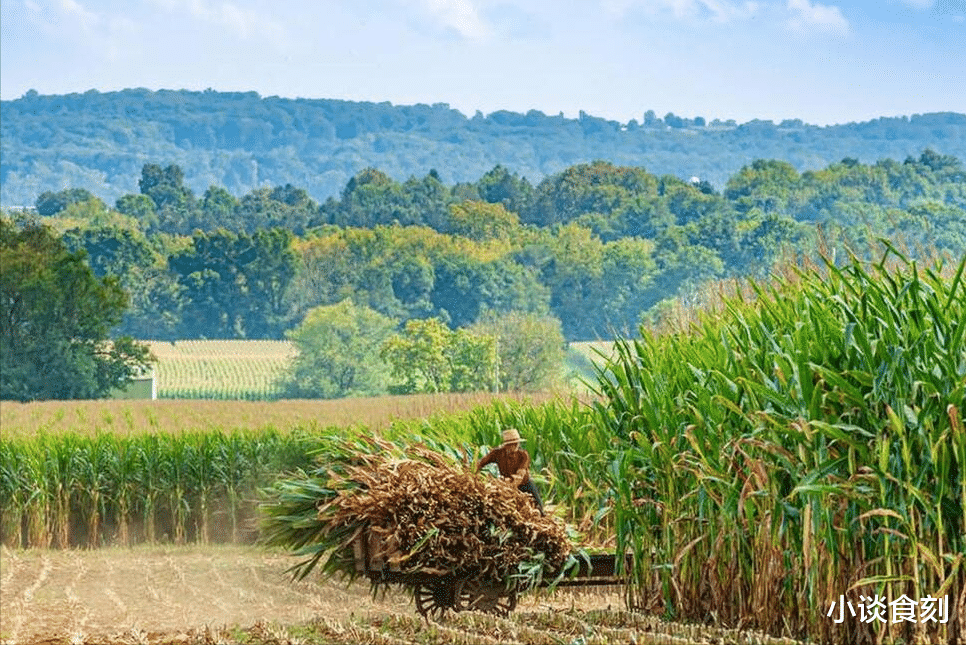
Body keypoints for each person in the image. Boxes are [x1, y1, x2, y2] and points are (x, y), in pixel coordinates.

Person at [476, 428, 543, 514]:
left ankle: (542, 514)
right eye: (513, 444)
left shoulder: (523, 455)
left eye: (517, 443)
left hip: (523, 483)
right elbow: (481, 462)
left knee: (538, 504)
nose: (516, 445)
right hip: (506, 483)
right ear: (506, 445)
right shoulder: (497, 453)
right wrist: (472, 470)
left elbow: (520, 476)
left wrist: (509, 487)